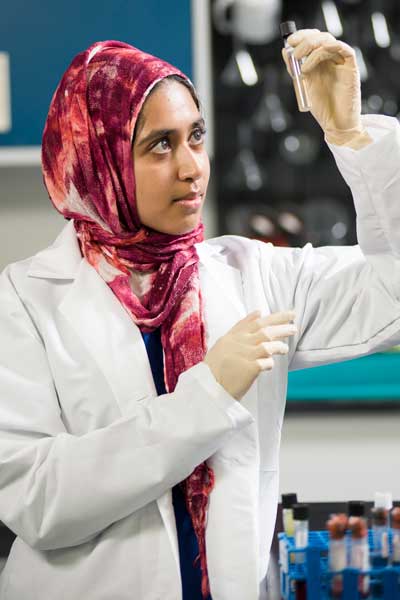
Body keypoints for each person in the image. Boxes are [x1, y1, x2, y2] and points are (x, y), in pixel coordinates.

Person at [0, 30, 399, 600]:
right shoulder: (23, 300)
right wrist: (209, 394)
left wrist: (354, 138)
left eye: (196, 137)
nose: (192, 167)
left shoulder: (249, 274)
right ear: (98, 159)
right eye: (160, 145)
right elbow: (36, 500)